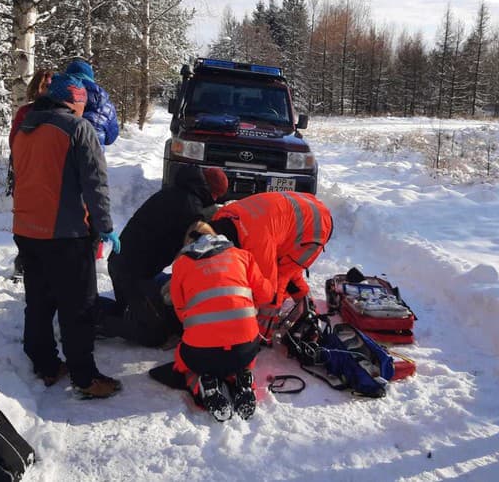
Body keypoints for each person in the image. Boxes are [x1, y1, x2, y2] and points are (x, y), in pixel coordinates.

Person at [11, 73, 123, 399]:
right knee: (78, 308)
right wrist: (105, 227)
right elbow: (95, 185)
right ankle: (85, 378)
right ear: (73, 100)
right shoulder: (77, 129)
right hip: (66, 234)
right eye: (81, 103)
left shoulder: (25, 127)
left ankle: (46, 364)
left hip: (26, 230)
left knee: (40, 301)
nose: (81, 109)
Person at [99, 165, 229, 347]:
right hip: (132, 274)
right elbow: (192, 259)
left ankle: (115, 310)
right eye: (216, 196)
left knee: (143, 309)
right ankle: (88, 318)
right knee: (154, 333)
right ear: (211, 191)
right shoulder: (190, 209)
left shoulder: (177, 193)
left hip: (127, 265)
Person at [170, 226, 274, 421]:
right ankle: (243, 379)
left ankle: (201, 384)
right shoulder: (242, 255)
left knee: (183, 360)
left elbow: (181, 312)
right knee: (239, 357)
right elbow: (266, 295)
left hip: (201, 353)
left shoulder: (181, 264)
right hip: (245, 348)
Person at [209, 191, 333, 341]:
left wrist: (257, 336)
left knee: (279, 278)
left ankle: (263, 331)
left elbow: (269, 295)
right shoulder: (222, 215)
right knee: (288, 271)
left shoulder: (256, 245)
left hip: (315, 228)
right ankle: (306, 304)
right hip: (301, 210)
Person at [7, 68, 54, 282]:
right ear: (36, 87)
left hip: (49, 174)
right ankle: (23, 262)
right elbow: (14, 141)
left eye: (51, 85)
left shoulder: (59, 111)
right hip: (25, 172)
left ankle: (42, 264)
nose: (47, 89)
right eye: (44, 85)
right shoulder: (25, 112)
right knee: (26, 217)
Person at [65, 59, 119, 149]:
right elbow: (110, 138)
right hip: (93, 159)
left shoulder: (55, 97)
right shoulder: (107, 105)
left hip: (57, 157)